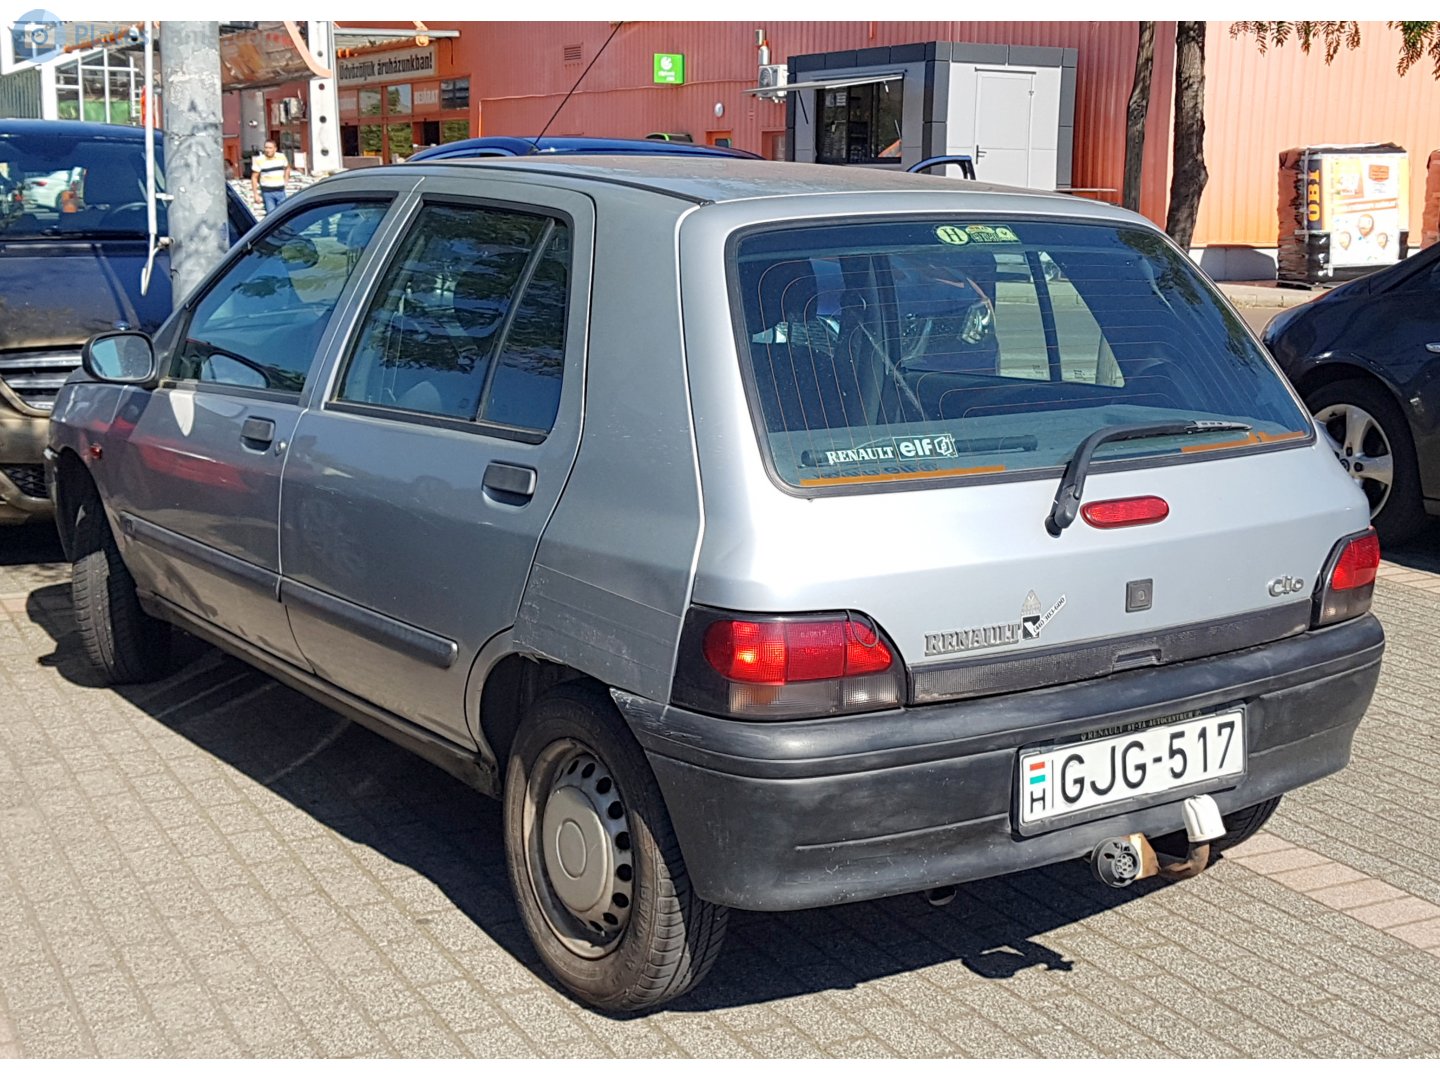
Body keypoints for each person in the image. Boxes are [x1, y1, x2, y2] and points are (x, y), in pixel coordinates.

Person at [250, 140, 290, 215]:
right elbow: (254, 177)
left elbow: (287, 168)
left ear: (275, 149)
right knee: (272, 215)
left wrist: (286, 180)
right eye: (266, 148)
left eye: (270, 148)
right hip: (267, 193)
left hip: (281, 191)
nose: (268, 150)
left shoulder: (281, 157)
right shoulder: (259, 160)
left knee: (283, 214)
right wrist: (255, 194)